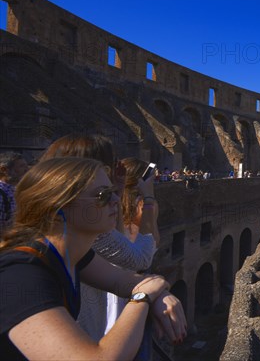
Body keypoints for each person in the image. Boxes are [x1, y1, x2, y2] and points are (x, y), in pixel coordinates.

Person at [0, 157, 186, 360]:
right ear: (58, 208)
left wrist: (159, 293)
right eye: (102, 195)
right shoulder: (22, 274)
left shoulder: (71, 254)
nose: (116, 199)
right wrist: (143, 299)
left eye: (113, 191)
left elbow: (121, 280)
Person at [40, 134, 158, 342]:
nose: (115, 200)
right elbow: (138, 260)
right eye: (102, 193)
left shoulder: (76, 250)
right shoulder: (31, 265)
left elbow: (120, 263)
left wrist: (115, 193)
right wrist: (148, 199)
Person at [105, 157, 160, 336]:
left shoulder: (110, 204)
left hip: (107, 279)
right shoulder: (144, 204)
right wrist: (149, 199)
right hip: (129, 281)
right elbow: (152, 245)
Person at [0, 152, 28, 233]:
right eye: (21, 166)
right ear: (4, 170)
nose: (27, 170)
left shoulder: (17, 191)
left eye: (26, 166)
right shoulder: (1, 194)